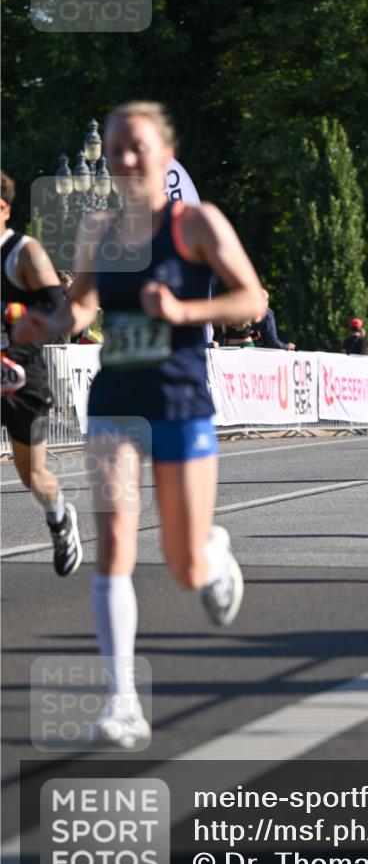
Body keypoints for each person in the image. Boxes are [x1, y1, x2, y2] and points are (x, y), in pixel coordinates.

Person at [15, 102, 265, 748]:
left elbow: (252, 299)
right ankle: (122, 701)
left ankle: (212, 556)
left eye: (137, 147)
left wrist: (185, 309)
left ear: (164, 154)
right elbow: (80, 307)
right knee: (116, 544)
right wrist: (48, 325)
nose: (124, 158)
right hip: (117, 399)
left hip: (181, 398)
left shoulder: (197, 224)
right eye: (116, 147)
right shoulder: (101, 229)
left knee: (181, 564)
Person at [0, 171, 82, 575]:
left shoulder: (24, 252)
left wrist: (14, 321)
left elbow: (58, 314)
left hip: (21, 374)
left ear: (3, 209)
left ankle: (60, 517)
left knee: (32, 474)